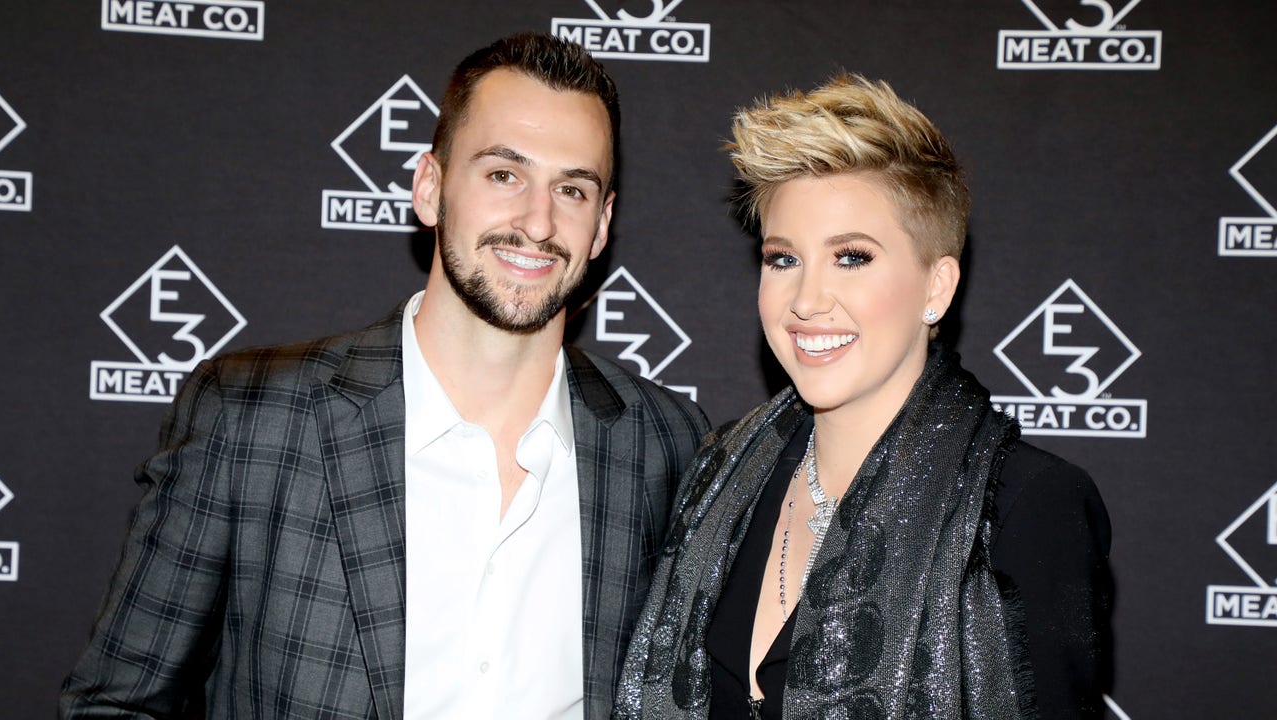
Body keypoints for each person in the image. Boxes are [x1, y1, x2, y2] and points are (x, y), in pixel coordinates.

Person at [61, 33, 709, 720]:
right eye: (503, 175)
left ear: (601, 225)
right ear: (429, 188)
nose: (538, 221)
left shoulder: (665, 445)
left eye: (572, 189)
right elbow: (118, 705)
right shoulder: (252, 418)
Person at [615, 74, 1112, 719]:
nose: (807, 300)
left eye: (851, 257)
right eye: (783, 259)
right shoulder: (719, 475)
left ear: (936, 287)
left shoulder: (1028, 506)